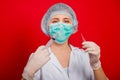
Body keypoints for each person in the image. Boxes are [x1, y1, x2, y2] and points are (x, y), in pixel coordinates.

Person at [22, 3, 108, 80]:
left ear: (73, 26)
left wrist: (96, 64)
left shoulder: (85, 55)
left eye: (66, 21)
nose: (61, 25)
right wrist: (27, 73)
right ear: (47, 25)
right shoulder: (37, 57)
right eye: (55, 21)